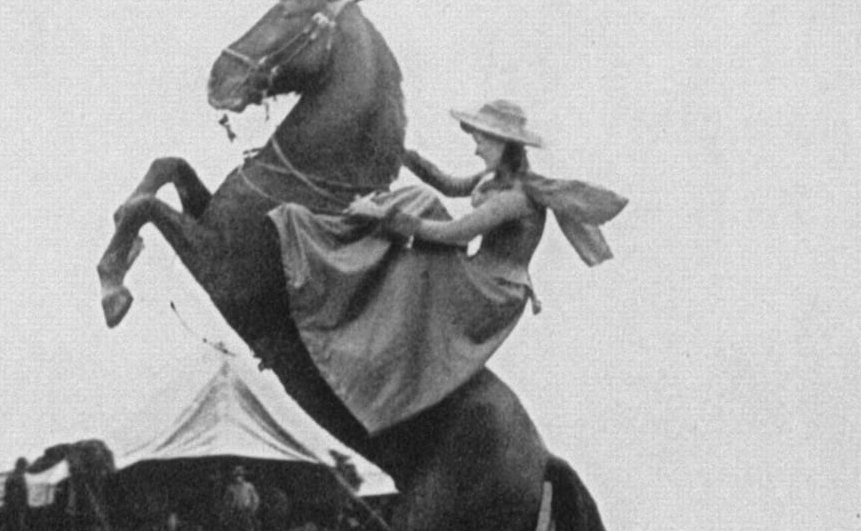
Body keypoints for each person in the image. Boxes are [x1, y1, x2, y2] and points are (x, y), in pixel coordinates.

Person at [268, 99, 627, 435]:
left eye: (482, 140)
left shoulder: (517, 198)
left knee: (411, 263)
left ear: (505, 144)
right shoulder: (493, 179)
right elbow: (448, 185)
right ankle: (334, 239)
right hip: (477, 271)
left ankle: (353, 324)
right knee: (422, 197)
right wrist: (404, 154)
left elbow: (456, 231)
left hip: (493, 290)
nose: (475, 147)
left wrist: (385, 215)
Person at [222, 465, 261, 531]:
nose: (238, 477)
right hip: (235, 513)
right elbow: (227, 501)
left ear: (243, 476)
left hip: (247, 513)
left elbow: (255, 499)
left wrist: (253, 509)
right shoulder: (231, 488)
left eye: (240, 475)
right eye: (236, 475)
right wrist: (229, 512)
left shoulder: (249, 486)